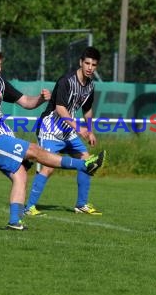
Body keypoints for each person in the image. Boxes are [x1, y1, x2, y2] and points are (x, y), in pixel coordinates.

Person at [0, 47, 106, 230]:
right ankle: (84, 165)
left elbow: (26, 102)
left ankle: (14, 222)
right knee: (34, 150)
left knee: (20, 174)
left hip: (2, 136)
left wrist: (40, 99)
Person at [24, 46, 102, 216]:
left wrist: (90, 130)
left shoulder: (90, 85)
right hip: (50, 129)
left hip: (67, 131)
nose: (90, 67)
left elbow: (87, 110)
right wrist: (78, 128)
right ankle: (29, 207)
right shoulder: (66, 80)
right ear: (81, 62)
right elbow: (60, 108)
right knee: (48, 167)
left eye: (93, 65)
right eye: (87, 63)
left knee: (87, 161)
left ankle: (81, 205)